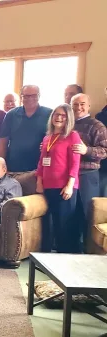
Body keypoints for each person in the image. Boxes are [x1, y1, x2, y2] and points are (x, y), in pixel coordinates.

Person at [36, 104, 82, 253]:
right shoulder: (47, 137)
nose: (59, 118)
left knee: (63, 226)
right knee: (49, 225)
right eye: (56, 114)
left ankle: (64, 259)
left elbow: (75, 163)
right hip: (48, 186)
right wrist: (39, 181)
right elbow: (42, 161)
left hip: (64, 186)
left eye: (63, 115)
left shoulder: (73, 136)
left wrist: (70, 184)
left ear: (68, 118)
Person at [71, 93, 107, 245]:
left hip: (88, 175)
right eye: (75, 104)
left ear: (89, 106)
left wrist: (87, 151)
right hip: (68, 176)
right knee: (71, 214)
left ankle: (87, 249)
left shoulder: (97, 126)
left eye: (82, 104)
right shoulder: (66, 124)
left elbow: (105, 150)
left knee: (87, 213)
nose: (79, 107)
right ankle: (70, 249)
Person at [0, 85, 53, 172]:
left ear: (39, 96)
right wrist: (0, 167)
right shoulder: (11, 115)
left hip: (39, 168)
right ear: (21, 97)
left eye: (34, 95)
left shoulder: (50, 114)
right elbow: (3, 143)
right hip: (14, 167)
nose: (30, 99)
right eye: (26, 96)